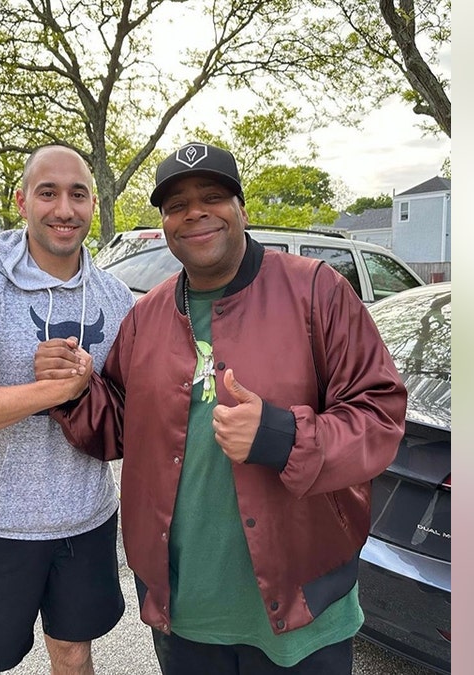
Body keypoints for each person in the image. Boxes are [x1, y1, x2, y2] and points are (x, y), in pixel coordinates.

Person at [34, 142, 408, 673]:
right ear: (165, 223)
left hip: (302, 603)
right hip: (186, 610)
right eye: (176, 205)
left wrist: (282, 436)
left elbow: (380, 415)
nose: (195, 214)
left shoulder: (316, 292)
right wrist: (76, 389)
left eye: (213, 196)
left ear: (242, 210)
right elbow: (119, 426)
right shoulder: (148, 315)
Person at [0, 144, 135, 675]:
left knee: (74, 653)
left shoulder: (116, 297)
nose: (64, 208)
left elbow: (133, 406)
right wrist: (54, 390)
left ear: (93, 205)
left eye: (78, 194)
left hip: (87, 519)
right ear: (22, 201)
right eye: (48, 192)